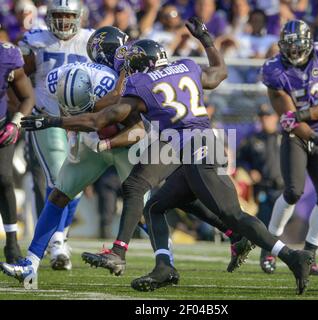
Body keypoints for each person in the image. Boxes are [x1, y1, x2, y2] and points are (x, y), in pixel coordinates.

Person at [22, 18, 315, 295]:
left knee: (234, 215)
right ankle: (162, 267)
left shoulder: (142, 83)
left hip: (192, 146)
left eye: (132, 64)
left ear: (143, 64)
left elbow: (100, 120)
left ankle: (291, 256)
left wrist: (53, 121)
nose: (129, 69)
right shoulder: (186, 66)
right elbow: (219, 72)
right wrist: (207, 41)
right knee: (153, 205)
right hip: (190, 143)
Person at [0, 27, 252, 285]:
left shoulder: (130, 74)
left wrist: (103, 140)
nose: (120, 56)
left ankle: (167, 263)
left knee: (153, 204)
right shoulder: (94, 72)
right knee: (60, 193)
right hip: (96, 141)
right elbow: (88, 113)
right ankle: (31, 262)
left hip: (129, 142)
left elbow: (137, 128)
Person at [261, 20, 318, 276]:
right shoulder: (274, 70)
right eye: (290, 46)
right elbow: (290, 120)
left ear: (309, 44)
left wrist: (304, 113)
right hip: (297, 136)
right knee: (294, 191)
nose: (294, 52)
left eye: (299, 46)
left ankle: (309, 254)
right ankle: (269, 247)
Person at [18, 0, 94, 270]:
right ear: (49, 16)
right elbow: (19, 75)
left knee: (76, 181)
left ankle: (59, 237)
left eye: (68, 16)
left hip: (80, 120)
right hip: (46, 118)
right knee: (57, 176)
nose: (63, 22)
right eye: (58, 16)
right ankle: (58, 242)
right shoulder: (35, 40)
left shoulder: (91, 40)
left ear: (79, 17)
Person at [237, 103, 283, 273]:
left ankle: (272, 255)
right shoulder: (253, 139)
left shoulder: (284, 138)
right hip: (263, 188)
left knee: (278, 226)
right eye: (262, 116)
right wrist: (250, 171)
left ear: (276, 117)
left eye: (268, 116)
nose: (265, 120)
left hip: (282, 189)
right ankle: (267, 257)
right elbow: (241, 159)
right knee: (264, 224)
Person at [0, 41, 35, 263]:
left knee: (3, 178)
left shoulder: (7, 56)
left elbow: (28, 97)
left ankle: (11, 242)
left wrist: (15, 122)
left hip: (1, 125)